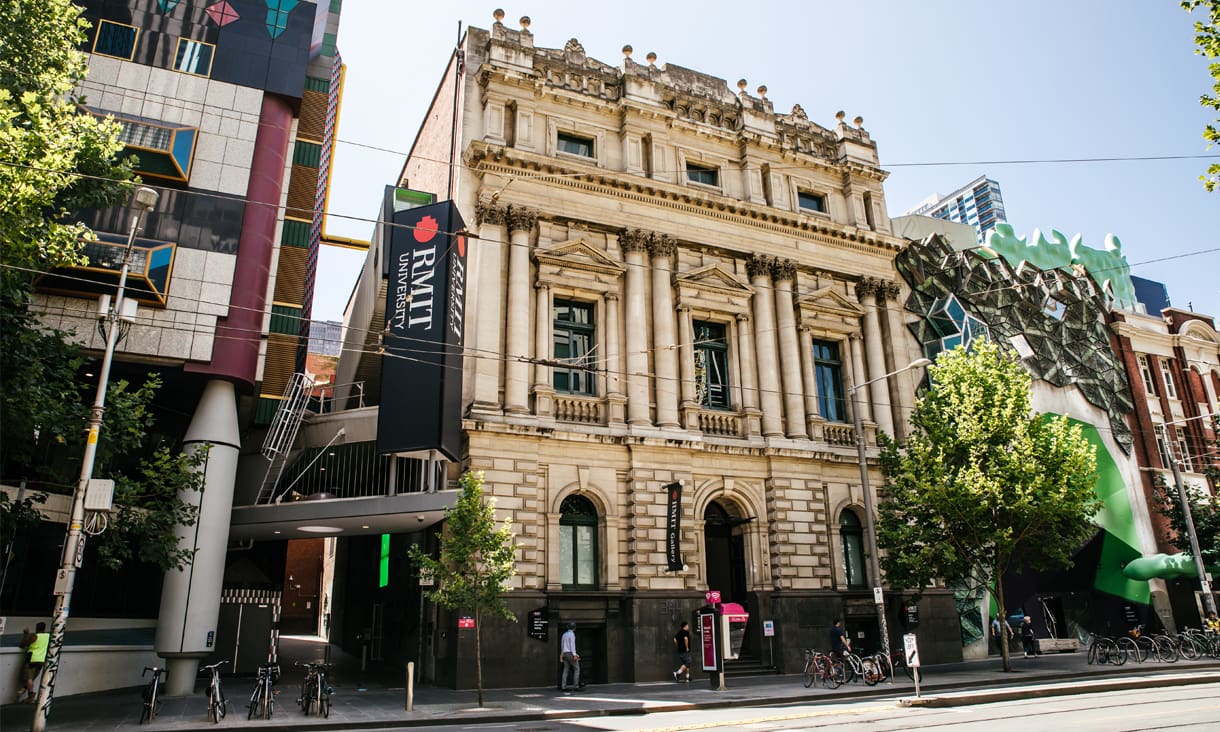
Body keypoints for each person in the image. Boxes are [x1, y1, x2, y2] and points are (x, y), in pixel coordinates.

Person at [23, 622, 49, 703]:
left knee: (29, 678)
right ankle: (24, 689)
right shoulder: (48, 636)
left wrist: (26, 634)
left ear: (37, 628)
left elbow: (24, 644)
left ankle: (31, 696)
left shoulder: (35, 635)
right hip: (41, 660)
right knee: (32, 677)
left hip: (32, 659)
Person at [559, 622, 581, 692]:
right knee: (577, 669)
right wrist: (574, 655)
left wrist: (561, 655)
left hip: (565, 653)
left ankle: (563, 686)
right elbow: (572, 645)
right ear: (574, 628)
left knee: (565, 670)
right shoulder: (572, 634)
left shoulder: (564, 634)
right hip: (570, 653)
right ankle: (576, 686)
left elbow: (562, 645)